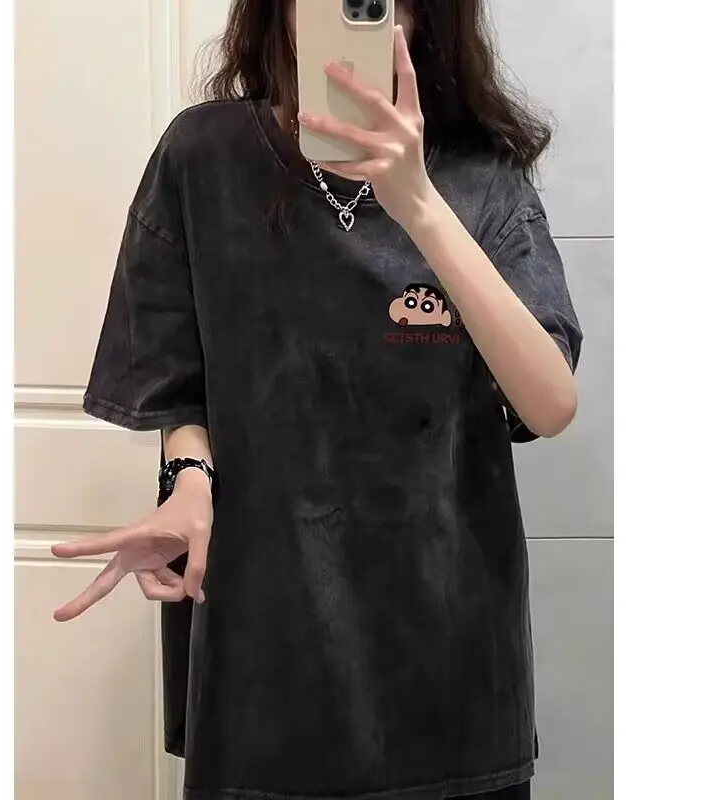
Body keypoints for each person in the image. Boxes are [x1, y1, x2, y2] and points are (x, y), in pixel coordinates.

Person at [51, 1, 582, 798]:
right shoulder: (203, 158)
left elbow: (548, 402)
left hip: (450, 666)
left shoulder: (481, 179)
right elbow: (173, 378)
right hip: (262, 655)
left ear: (423, 16)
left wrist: (418, 202)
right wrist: (186, 480)